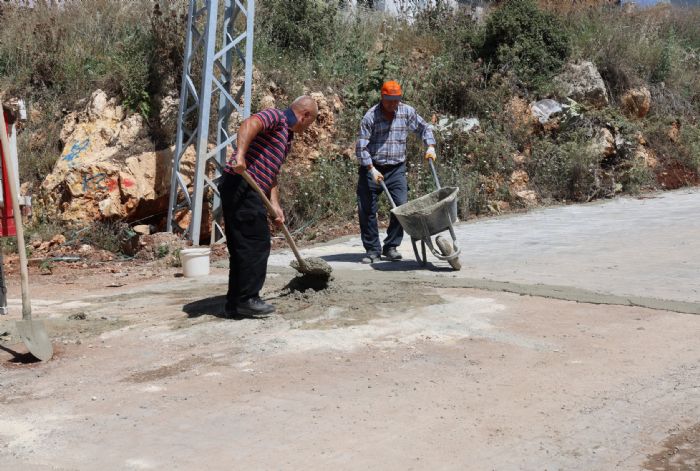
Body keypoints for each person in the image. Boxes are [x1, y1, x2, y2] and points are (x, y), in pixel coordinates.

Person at [218, 96, 318, 318]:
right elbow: (249, 124)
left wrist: (275, 205)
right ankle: (248, 299)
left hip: (247, 189)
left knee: (242, 246)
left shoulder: (286, 137)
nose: (307, 128)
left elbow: (271, 174)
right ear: (305, 115)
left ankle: (235, 303)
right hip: (241, 184)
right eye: (309, 124)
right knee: (256, 242)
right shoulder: (277, 117)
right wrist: (241, 155)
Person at [355, 80, 436, 263]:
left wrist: (430, 146)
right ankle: (372, 250)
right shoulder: (370, 117)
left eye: (396, 100)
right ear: (382, 98)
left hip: (396, 168)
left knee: (401, 206)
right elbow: (361, 147)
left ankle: (391, 246)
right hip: (372, 167)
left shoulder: (406, 112)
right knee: (367, 209)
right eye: (389, 100)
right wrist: (371, 169)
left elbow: (424, 128)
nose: (392, 104)